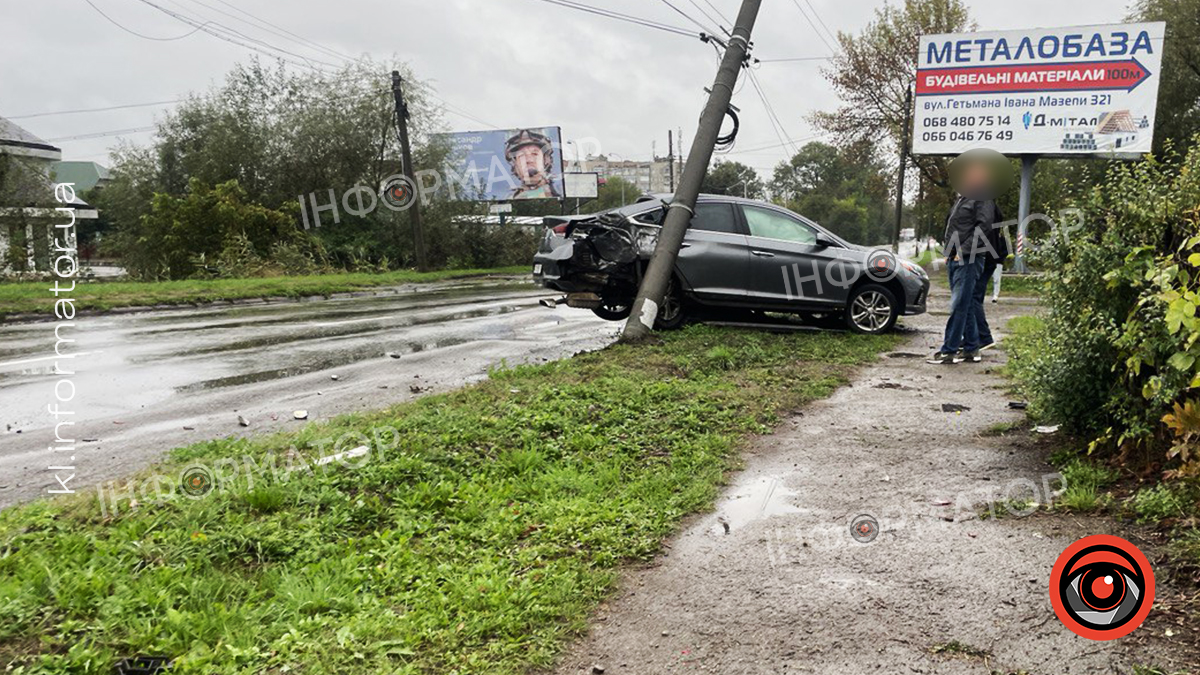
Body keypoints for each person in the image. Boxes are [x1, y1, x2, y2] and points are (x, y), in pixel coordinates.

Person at [928, 161, 1000, 365]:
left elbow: (983, 226)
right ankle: (971, 349)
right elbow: (956, 226)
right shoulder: (964, 198)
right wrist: (949, 252)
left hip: (969, 258)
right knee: (965, 304)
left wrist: (963, 250)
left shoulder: (983, 197)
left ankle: (949, 351)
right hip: (956, 257)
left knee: (959, 304)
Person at [966, 210, 1009, 360]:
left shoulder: (984, 207)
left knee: (972, 297)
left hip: (985, 257)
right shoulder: (992, 208)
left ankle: (983, 337)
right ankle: (974, 337)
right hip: (991, 257)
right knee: (974, 297)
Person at [504, 129, 561, 199]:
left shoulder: (559, 192)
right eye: (521, 156)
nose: (529, 160)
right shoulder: (509, 199)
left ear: (546, 161)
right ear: (515, 166)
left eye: (535, 154)